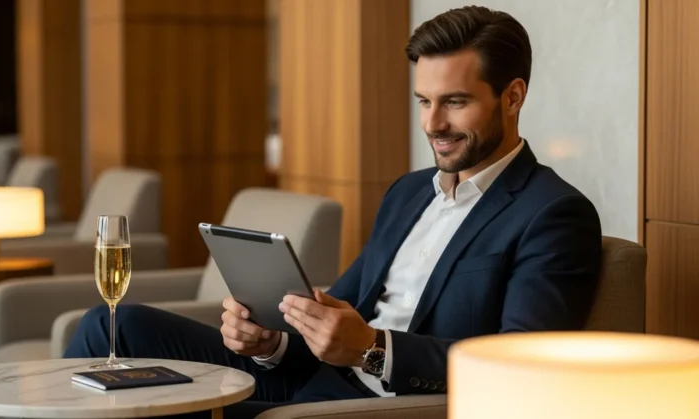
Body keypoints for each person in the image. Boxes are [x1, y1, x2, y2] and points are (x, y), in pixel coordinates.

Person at [64, 5, 602, 418]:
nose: (432, 123)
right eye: (423, 101)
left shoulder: (552, 214)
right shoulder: (408, 193)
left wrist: (372, 350)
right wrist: (274, 341)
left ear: (512, 97)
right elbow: (336, 312)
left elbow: (522, 367)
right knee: (111, 326)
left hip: (374, 408)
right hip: (314, 378)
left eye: (455, 102)